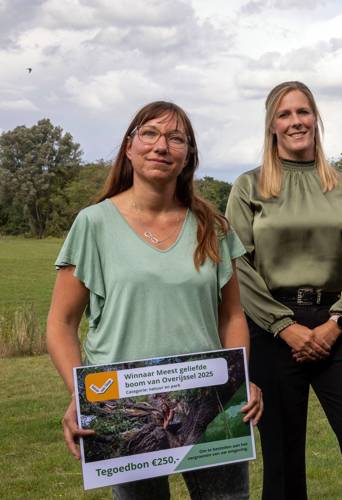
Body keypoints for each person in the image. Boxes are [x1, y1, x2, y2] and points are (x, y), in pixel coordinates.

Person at [46, 101, 262, 499]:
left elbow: (231, 315)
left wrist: (241, 380)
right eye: (150, 134)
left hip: (208, 403)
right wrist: (80, 395)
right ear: (129, 147)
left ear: (187, 157)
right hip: (124, 406)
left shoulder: (212, 227)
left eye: (175, 138)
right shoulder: (92, 224)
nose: (161, 146)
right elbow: (61, 324)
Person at [226, 81, 342, 499]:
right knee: (281, 458)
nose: (296, 121)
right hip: (273, 329)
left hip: (340, 327)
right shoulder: (249, 186)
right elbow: (237, 263)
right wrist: (283, 326)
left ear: (316, 119)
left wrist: (338, 322)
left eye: (303, 112)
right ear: (271, 126)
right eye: (285, 114)